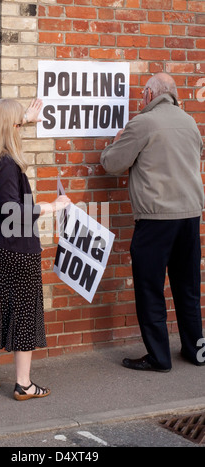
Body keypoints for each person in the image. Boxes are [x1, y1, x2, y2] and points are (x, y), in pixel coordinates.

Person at [0, 98, 71, 399]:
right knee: (24, 310)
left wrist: (22, 118)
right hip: (16, 246)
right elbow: (12, 209)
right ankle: (24, 384)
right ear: (12, 127)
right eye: (19, 124)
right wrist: (50, 206)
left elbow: (2, 126)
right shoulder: (8, 164)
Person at [100, 73, 204, 372]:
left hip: (156, 218)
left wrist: (114, 142)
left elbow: (112, 164)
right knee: (188, 288)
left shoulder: (143, 123)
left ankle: (159, 357)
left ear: (149, 94)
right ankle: (196, 350)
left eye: (142, 93)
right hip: (190, 215)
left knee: (150, 288)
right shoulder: (189, 121)